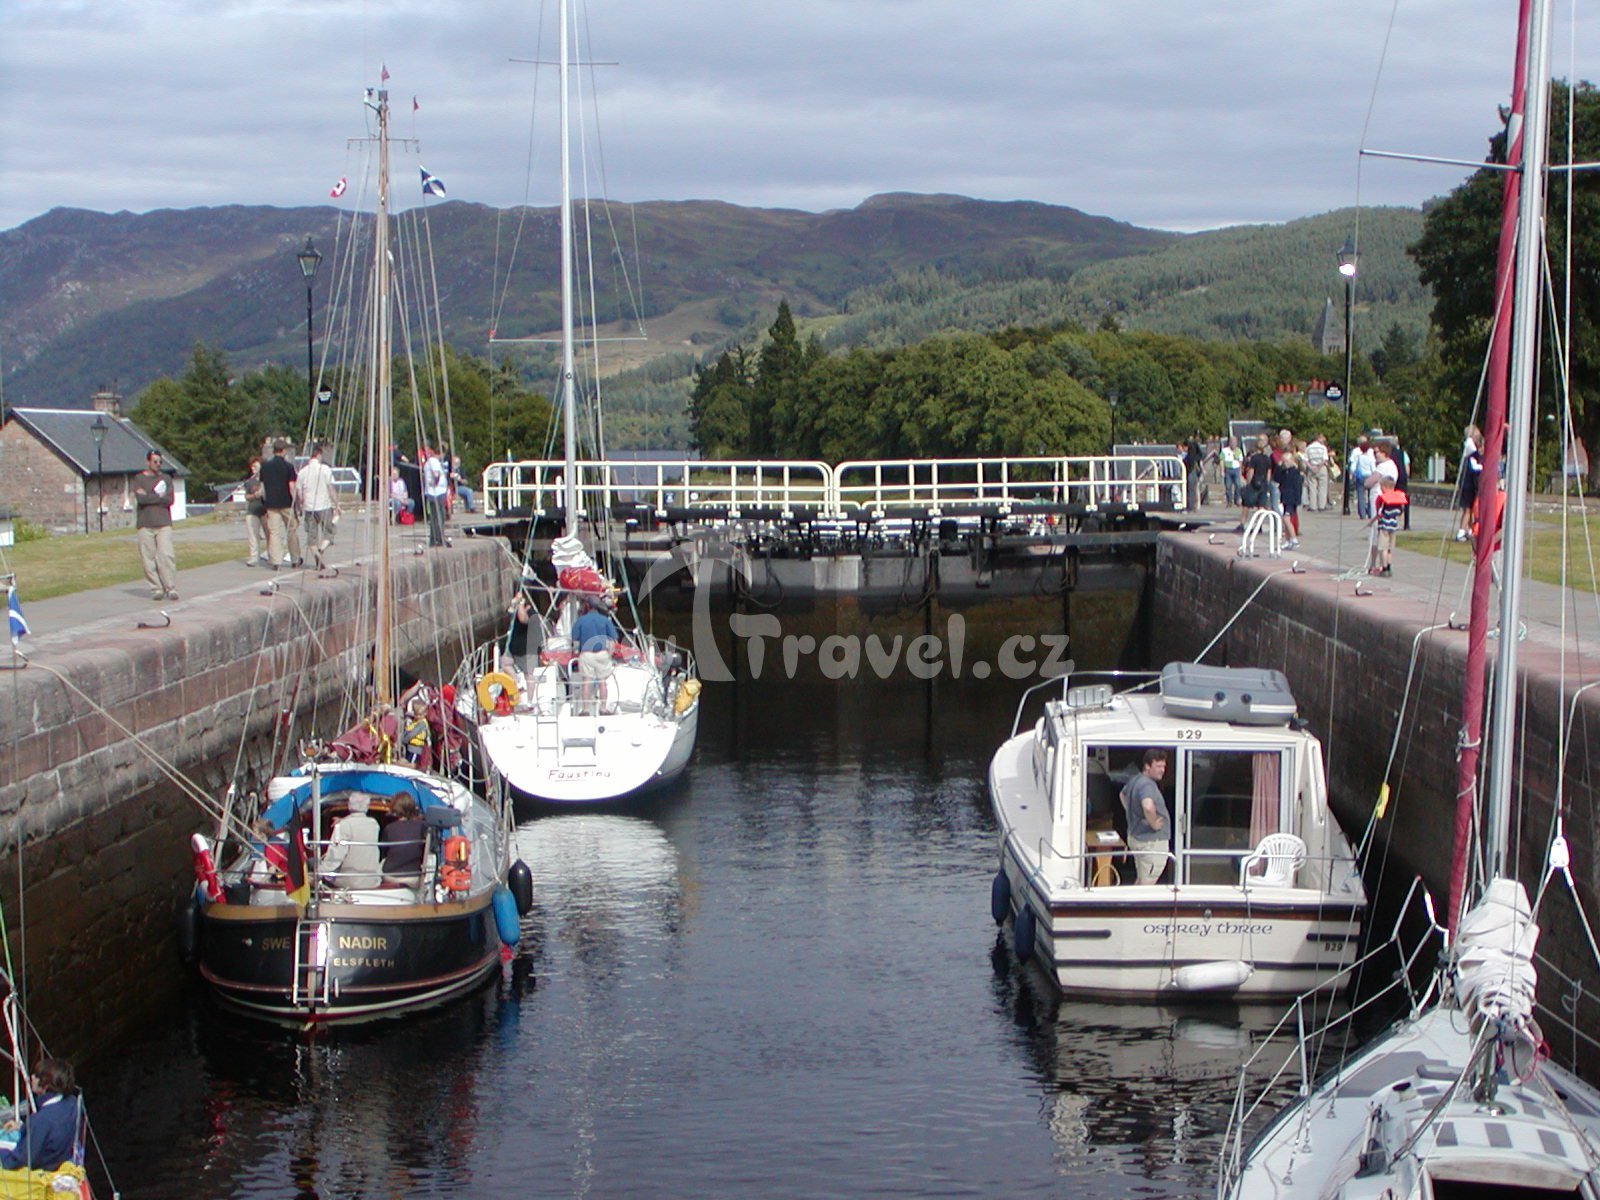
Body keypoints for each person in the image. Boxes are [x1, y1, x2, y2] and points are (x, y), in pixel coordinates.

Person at [0, 1058, 80, 1173]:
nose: (31, 1077)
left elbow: (21, 1160)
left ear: (46, 1084)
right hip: (59, 1158)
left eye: (36, 1076)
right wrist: (22, 1127)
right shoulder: (71, 1103)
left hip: (43, 1168)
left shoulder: (40, 1120)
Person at [131, 449, 178, 601]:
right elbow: (141, 499)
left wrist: (149, 495)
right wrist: (157, 496)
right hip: (145, 524)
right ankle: (156, 588)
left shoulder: (166, 478)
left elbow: (169, 500)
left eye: (160, 462)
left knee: (166, 555)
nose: (158, 464)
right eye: (155, 461)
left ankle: (170, 587)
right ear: (148, 462)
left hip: (163, 522)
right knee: (148, 558)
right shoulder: (139, 478)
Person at [1120, 750, 1171, 885]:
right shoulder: (1147, 785)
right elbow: (1148, 806)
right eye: (1158, 766)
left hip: (1138, 838)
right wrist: (1153, 823)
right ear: (1147, 766)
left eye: (1164, 766)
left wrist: (1132, 812)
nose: (1162, 770)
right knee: (1148, 883)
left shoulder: (1135, 780)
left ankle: (1132, 899)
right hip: (1151, 843)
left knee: (1142, 880)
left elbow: (1122, 794)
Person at [321, 793, 382, 890]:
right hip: (372, 881)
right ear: (367, 806)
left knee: (316, 868)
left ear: (349, 805)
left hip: (349, 882)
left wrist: (320, 870)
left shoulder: (344, 825)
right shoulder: (374, 824)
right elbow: (358, 823)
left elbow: (336, 857)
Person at [571, 596, 619, 716]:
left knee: (587, 681)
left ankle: (586, 710)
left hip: (587, 654)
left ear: (587, 606)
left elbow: (574, 638)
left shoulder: (581, 620)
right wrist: (609, 654)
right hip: (602, 653)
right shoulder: (605, 620)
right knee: (602, 681)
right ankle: (603, 709)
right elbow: (613, 640)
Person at [259, 439, 303, 569]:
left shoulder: (265, 466)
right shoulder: (288, 466)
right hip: (286, 503)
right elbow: (291, 487)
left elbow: (262, 487)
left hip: (271, 503)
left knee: (274, 533)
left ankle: (276, 561)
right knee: (291, 530)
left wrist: (265, 501)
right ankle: (295, 558)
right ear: (283, 451)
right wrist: (297, 503)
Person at [297, 441, 340, 570]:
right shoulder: (325, 469)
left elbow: (299, 492)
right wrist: (337, 504)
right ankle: (321, 549)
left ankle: (316, 554)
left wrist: (300, 506)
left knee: (311, 536)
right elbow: (330, 488)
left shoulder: (302, 472)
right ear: (319, 455)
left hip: (309, 507)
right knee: (330, 531)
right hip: (324, 505)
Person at [381, 794, 428, 887]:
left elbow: (383, 852)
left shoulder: (389, 828)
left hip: (391, 876)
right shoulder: (422, 826)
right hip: (415, 876)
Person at [1236, 435, 1274, 532]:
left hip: (1254, 484)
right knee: (1261, 506)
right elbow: (1269, 473)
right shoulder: (1267, 459)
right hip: (1263, 483)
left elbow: (1251, 472)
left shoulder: (1254, 458)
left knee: (1246, 505)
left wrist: (1248, 483)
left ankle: (1242, 524)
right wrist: (1267, 484)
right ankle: (1259, 526)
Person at [1370, 481, 1407, 576]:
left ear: (1385, 487)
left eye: (1381, 487)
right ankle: (1389, 567)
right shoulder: (1397, 499)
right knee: (1390, 549)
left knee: (1384, 548)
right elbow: (1400, 512)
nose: (1381, 490)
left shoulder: (1383, 499)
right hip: (1393, 526)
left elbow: (1379, 514)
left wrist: (1372, 522)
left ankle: (1384, 568)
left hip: (1384, 527)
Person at [1456, 425, 1484, 542]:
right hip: (1468, 484)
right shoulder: (1469, 447)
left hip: (1469, 483)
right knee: (1467, 509)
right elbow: (1475, 466)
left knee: (1470, 509)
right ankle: (1461, 531)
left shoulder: (1469, 449)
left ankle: (1469, 529)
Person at [1276, 439, 1305, 548]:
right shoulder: (1284, 472)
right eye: (1284, 461)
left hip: (1291, 499)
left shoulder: (1295, 473)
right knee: (1285, 519)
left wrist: (1297, 499)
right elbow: (1277, 478)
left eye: (1287, 461)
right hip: (1284, 498)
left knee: (1286, 518)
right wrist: (1279, 466)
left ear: (1292, 461)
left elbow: (1298, 488)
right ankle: (1288, 540)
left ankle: (1294, 539)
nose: (1285, 463)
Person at [242, 457, 270, 566]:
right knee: (253, 534)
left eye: (255, 466)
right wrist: (254, 495)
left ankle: (271, 555)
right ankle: (254, 557)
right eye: (252, 466)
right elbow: (247, 496)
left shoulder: (267, 479)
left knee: (269, 534)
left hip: (265, 510)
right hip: (252, 510)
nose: (252, 468)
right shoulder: (250, 481)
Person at [422, 447, 449, 547]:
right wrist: (436, 483)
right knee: (439, 517)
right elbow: (436, 474)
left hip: (433, 492)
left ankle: (435, 539)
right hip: (437, 493)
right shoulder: (434, 462)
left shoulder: (429, 462)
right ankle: (438, 538)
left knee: (435, 517)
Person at [1348, 435, 1376, 518]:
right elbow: (1373, 468)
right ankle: (1370, 512)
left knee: (1360, 496)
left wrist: (1352, 474)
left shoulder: (1358, 456)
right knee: (1371, 495)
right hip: (1369, 476)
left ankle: (1362, 513)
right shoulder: (1371, 456)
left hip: (1360, 477)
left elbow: (1353, 467)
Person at [1303, 434, 1330, 511]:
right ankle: (1322, 505)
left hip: (1312, 467)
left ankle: (1313, 506)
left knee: (1312, 488)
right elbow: (1325, 459)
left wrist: (1311, 467)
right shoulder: (1323, 447)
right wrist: (1318, 467)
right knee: (1322, 487)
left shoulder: (1308, 448)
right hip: (1321, 468)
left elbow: (1305, 460)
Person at [402, 696, 430, 765]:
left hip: (416, 749)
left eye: (420, 715)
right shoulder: (414, 722)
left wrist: (404, 740)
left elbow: (412, 734)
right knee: (407, 760)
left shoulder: (422, 724)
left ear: (425, 714)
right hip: (410, 747)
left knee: (412, 763)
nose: (418, 717)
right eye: (416, 714)